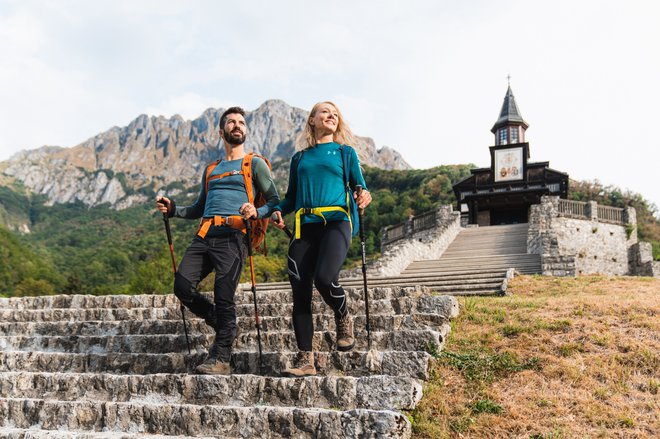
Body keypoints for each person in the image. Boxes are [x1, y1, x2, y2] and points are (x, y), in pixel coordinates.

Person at [155, 106, 280, 375]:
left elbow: (274, 201)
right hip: (204, 235)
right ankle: (224, 325)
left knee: (224, 295)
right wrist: (175, 209)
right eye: (231, 122)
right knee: (182, 286)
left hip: (235, 236)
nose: (237, 126)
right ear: (221, 131)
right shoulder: (211, 169)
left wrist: (255, 211)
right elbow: (200, 206)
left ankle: (221, 357)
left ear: (245, 130)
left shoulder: (254, 163)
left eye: (241, 122)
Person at [271, 101, 372, 377]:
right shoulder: (299, 159)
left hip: (337, 222)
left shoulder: (344, 153)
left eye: (335, 114)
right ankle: (306, 360)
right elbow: (291, 197)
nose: (331, 115)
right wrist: (276, 210)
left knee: (325, 278)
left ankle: (343, 315)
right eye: (325, 112)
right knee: (300, 293)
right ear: (312, 120)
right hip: (305, 226)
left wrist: (363, 194)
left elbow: (360, 186)